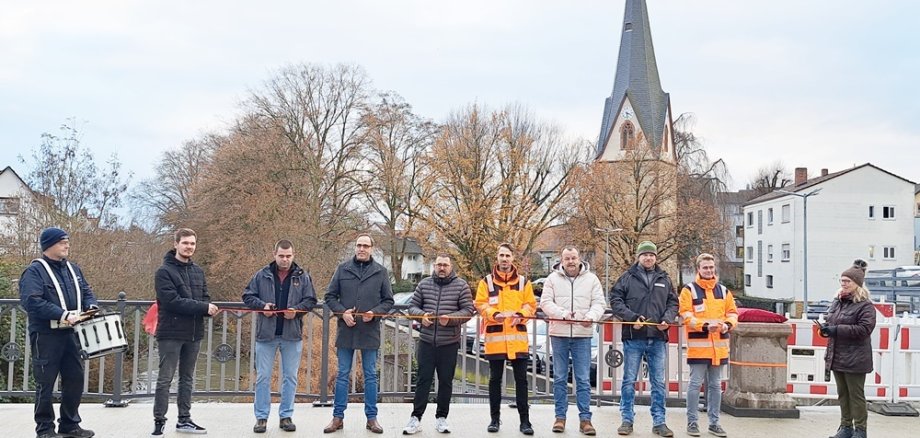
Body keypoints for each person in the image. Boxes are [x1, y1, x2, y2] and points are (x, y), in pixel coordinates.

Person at [19, 227, 98, 438]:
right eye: (62, 242)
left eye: (67, 241)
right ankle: (45, 429)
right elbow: (32, 302)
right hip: (46, 335)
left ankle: (70, 424)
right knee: (45, 382)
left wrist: (91, 305)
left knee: (75, 378)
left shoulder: (73, 269)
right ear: (49, 245)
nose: (67, 245)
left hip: (71, 334)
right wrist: (62, 314)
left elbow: (87, 291)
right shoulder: (34, 271)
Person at [242, 240, 318, 433]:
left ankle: (286, 416)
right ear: (274, 254)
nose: (285, 259)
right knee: (263, 377)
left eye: (288, 256)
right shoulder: (262, 275)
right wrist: (262, 307)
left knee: (290, 377)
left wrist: (297, 311)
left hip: (291, 335)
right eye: (281, 256)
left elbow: (310, 300)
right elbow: (247, 296)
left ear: (293, 255)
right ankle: (261, 418)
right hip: (266, 335)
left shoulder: (302, 276)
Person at [323, 234, 394, 434]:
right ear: (355, 248)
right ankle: (338, 418)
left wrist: (375, 313)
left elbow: (388, 301)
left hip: (370, 331)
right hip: (346, 329)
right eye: (359, 245)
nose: (362, 248)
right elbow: (329, 296)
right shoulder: (342, 268)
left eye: (365, 245)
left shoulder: (381, 272)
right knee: (343, 374)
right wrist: (342, 312)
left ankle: (372, 418)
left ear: (372, 248)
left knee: (371, 375)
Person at [152, 228, 219, 436]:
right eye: (185, 243)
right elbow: (171, 302)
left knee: (187, 378)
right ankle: (159, 421)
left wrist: (208, 309)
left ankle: (184, 420)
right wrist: (202, 308)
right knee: (165, 379)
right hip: (170, 333)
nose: (189, 247)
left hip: (194, 333)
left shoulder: (198, 271)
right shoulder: (164, 272)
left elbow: (204, 297)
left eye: (192, 243)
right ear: (176, 244)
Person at [609, 240, 678, 437]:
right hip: (634, 336)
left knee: (658, 382)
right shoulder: (627, 277)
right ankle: (627, 420)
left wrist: (667, 319)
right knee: (629, 380)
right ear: (638, 257)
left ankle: (659, 422)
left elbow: (673, 303)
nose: (648, 258)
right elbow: (615, 300)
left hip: (657, 337)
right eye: (645, 254)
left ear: (656, 257)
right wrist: (631, 318)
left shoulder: (664, 279)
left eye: (652, 255)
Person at [402, 254, 475, 435]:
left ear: (451, 267)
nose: (442, 268)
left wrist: (450, 319)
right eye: (439, 265)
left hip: (449, 343)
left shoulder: (461, 285)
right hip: (426, 341)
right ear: (434, 266)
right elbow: (412, 307)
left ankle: (441, 418)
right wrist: (421, 316)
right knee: (423, 380)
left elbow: (468, 311)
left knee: (445, 382)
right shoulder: (424, 284)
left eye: (445, 265)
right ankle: (415, 418)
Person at [540, 246, 606, 436]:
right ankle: (560, 417)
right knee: (559, 377)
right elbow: (545, 302)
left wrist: (591, 317)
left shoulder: (592, 279)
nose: (570, 261)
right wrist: (562, 315)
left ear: (579, 259)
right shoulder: (552, 279)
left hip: (582, 335)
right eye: (567, 258)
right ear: (561, 261)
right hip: (559, 334)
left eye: (573, 258)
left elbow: (599, 303)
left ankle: (585, 419)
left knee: (583, 379)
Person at [474, 243, 537, 435]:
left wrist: (521, 313)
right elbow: (480, 304)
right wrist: (494, 314)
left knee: (521, 381)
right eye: (501, 255)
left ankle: (525, 422)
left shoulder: (523, 282)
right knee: (494, 380)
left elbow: (531, 305)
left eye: (507, 255)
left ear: (512, 258)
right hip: (496, 340)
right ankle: (494, 420)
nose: (504, 259)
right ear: (497, 258)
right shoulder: (486, 282)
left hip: (518, 341)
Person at [678, 253, 738, 438]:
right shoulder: (689, 290)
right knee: (695, 384)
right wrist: (704, 325)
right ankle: (692, 422)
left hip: (718, 346)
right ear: (698, 269)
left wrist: (727, 324)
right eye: (705, 267)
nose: (709, 270)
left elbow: (733, 313)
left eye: (711, 267)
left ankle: (714, 423)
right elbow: (685, 314)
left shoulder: (723, 290)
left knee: (715, 385)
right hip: (699, 345)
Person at [820, 260, 876, 438]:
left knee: (856, 395)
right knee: (843, 394)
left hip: (855, 357)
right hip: (838, 354)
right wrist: (826, 329)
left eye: (847, 281)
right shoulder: (838, 302)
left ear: (857, 284)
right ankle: (845, 427)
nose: (843, 284)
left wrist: (836, 330)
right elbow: (833, 321)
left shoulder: (865, 305)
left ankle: (860, 430)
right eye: (842, 280)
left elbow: (864, 329)